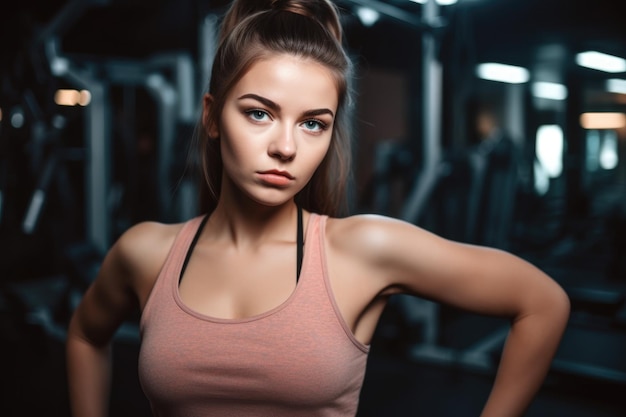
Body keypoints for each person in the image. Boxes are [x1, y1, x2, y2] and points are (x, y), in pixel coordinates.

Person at [66, 1, 570, 416]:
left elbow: (542, 303)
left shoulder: (363, 250)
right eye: (259, 114)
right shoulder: (146, 251)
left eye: (313, 123)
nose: (285, 147)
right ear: (212, 116)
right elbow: (86, 336)